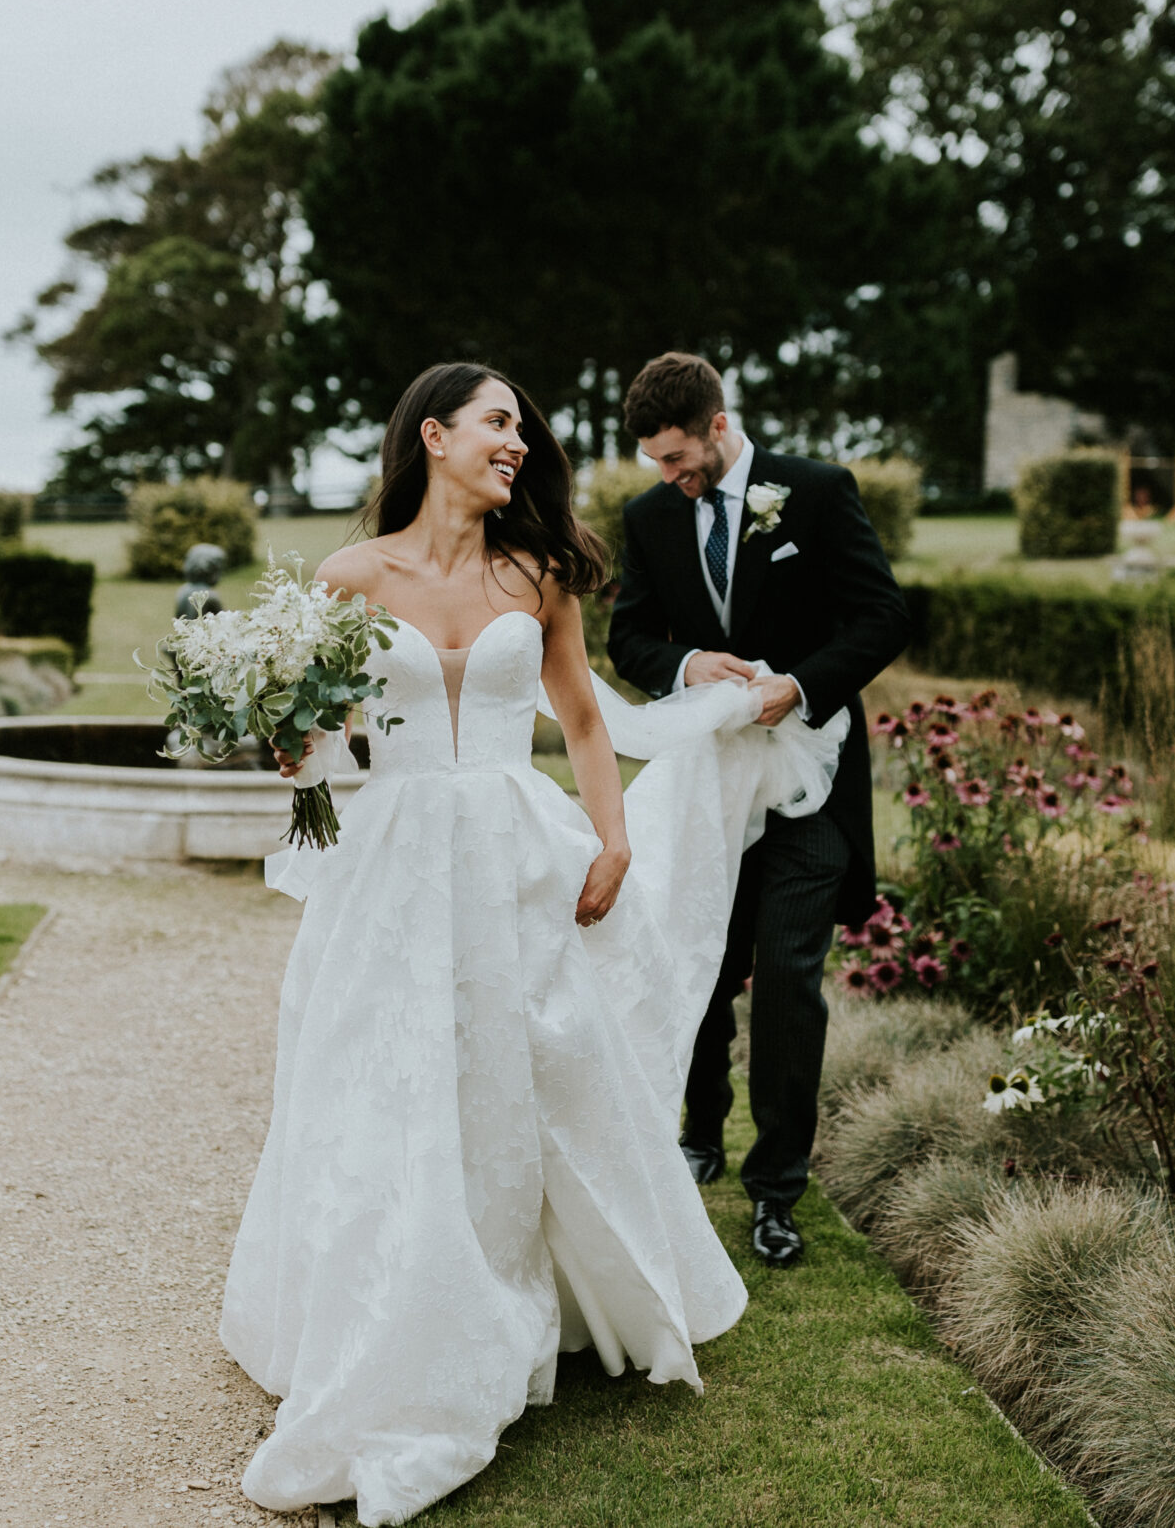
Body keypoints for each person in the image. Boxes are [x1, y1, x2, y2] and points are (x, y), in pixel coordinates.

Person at [222, 362, 845, 1525]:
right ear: (434, 435)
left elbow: (583, 719)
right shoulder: (351, 577)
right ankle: (394, 1305)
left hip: (517, 847)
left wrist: (612, 843)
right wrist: (281, 735)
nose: (518, 442)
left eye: (520, 428)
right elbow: (320, 743)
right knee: (388, 1069)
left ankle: (535, 1288)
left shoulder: (539, 571)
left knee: (536, 1068)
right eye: (497, 424)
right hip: (397, 857)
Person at [603, 352, 913, 1269]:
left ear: (717, 422)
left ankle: (778, 1187)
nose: (670, 475)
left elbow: (882, 616)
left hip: (810, 776)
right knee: (697, 949)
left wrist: (802, 686)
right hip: (709, 784)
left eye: (678, 457)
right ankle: (700, 1134)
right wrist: (689, 665)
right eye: (657, 462)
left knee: (785, 975)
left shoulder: (814, 492)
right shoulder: (650, 517)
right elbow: (627, 635)